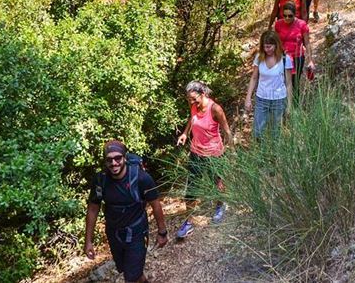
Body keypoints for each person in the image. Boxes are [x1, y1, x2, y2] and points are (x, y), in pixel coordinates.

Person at [85, 140, 168, 283]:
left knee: (131, 277)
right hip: (114, 234)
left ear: (124, 158)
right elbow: (93, 209)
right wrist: (88, 241)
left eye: (118, 158)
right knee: (130, 272)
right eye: (109, 159)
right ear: (105, 161)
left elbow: (156, 205)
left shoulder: (141, 178)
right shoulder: (101, 180)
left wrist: (162, 232)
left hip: (136, 233)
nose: (114, 163)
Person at [175, 81, 233, 238]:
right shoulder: (194, 105)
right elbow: (192, 117)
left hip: (214, 153)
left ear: (203, 94)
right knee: (191, 187)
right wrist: (185, 133)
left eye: (194, 99)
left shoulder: (215, 109)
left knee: (218, 183)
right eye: (189, 99)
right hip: (196, 152)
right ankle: (188, 222)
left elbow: (227, 131)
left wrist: (231, 150)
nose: (191, 102)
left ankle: (221, 205)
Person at [244, 30, 293, 137]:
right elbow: (254, 78)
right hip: (262, 98)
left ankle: (274, 153)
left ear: (276, 45)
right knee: (258, 132)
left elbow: (288, 83)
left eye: (270, 47)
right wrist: (248, 98)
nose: (267, 50)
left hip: (279, 100)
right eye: (265, 47)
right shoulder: (259, 58)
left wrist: (289, 104)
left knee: (276, 132)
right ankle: (259, 150)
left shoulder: (285, 59)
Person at [274, 1, 314, 89]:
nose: (287, 18)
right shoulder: (278, 24)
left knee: (294, 82)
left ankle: (295, 101)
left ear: (295, 14)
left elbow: (307, 43)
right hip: (283, 57)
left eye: (290, 16)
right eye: (285, 15)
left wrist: (310, 60)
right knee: (282, 82)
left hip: (297, 57)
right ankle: (284, 102)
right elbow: (276, 42)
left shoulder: (302, 25)